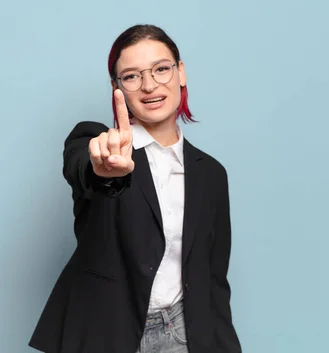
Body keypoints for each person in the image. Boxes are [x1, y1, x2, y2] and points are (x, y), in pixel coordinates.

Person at [29, 24, 242, 353]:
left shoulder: (212, 174)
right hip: (107, 332)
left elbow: (213, 281)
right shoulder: (97, 143)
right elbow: (82, 168)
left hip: (184, 335)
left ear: (180, 72)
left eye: (161, 69)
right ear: (117, 88)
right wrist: (104, 170)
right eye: (131, 76)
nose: (149, 85)